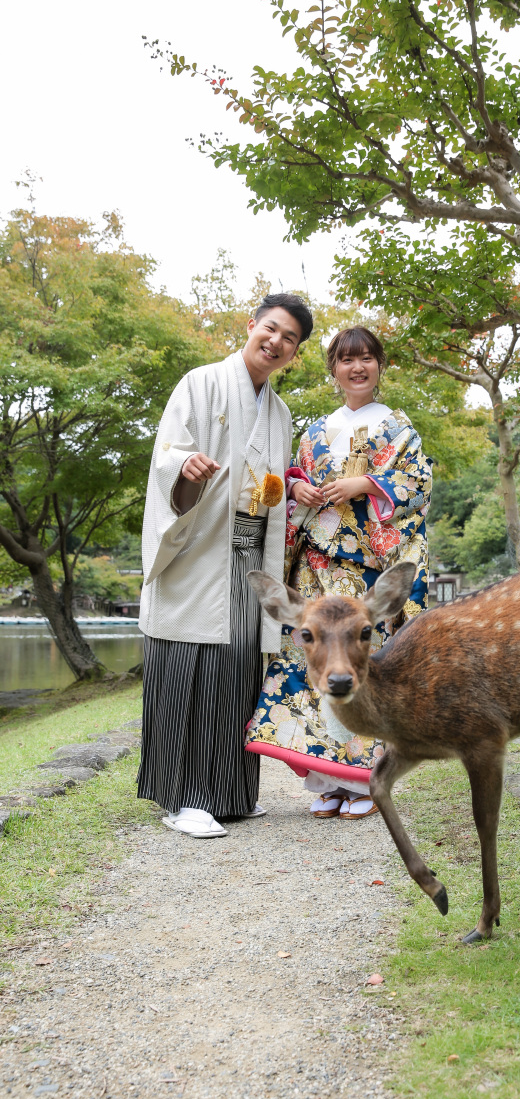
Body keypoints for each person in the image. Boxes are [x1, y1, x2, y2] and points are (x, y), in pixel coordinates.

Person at [137, 292, 314, 838]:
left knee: (237, 672)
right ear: (252, 326)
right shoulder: (201, 382)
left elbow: (271, 482)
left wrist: (293, 489)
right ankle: (185, 797)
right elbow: (168, 454)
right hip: (199, 550)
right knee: (192, 668)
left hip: (250, 553)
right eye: (271, 329)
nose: (276, 342)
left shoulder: (279, 412)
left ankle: (232, 793)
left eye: (289, 339)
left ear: (294, 352)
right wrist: (185, 466)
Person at [245, 326, 431, 819]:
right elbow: (292, 475)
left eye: (366, 358)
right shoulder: (315, 431)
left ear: (379, 366)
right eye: (346, 360)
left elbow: (416, 483)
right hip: (316, 565)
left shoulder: (398, 427)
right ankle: (328, 781)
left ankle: (366, 782)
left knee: (356, 666)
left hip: (365, 565)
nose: (357, 368)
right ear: (333, 370)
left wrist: (366, 483)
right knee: (311, 665)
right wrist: (296, 488)